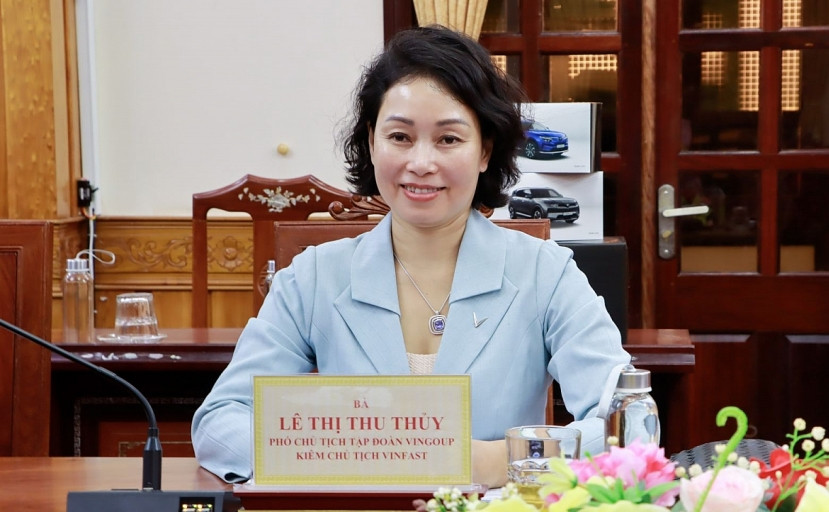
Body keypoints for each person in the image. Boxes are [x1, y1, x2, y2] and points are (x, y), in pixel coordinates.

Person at [191, 25, 631, 487]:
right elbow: (222, 420)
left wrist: (498, 460)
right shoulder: (314, 277)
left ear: (485, 150)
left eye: (448, 139)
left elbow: (628, 424)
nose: (421, 163)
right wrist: (349, 458)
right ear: (372, 141)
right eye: (400, 136)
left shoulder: (545, 273)